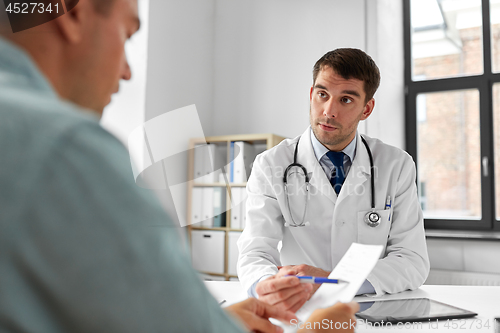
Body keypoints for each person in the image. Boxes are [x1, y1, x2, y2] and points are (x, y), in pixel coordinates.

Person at [0, 0, 359, 331]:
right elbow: (254, 251)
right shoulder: (65, 150)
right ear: (73, 12)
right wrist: (318, 329)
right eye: (127, 34)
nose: (126, 72)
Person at [237, 48, 430, 312]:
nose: (329, 111)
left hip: (370, 312)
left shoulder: (396, 165)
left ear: (367, 108)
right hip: (298, 309)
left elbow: (412, 260)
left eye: (346, 100)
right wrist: (266, 286)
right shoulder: (270, 164)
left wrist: (334, 281)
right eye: (322, 94)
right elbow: (255, 251)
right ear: (311, 94)